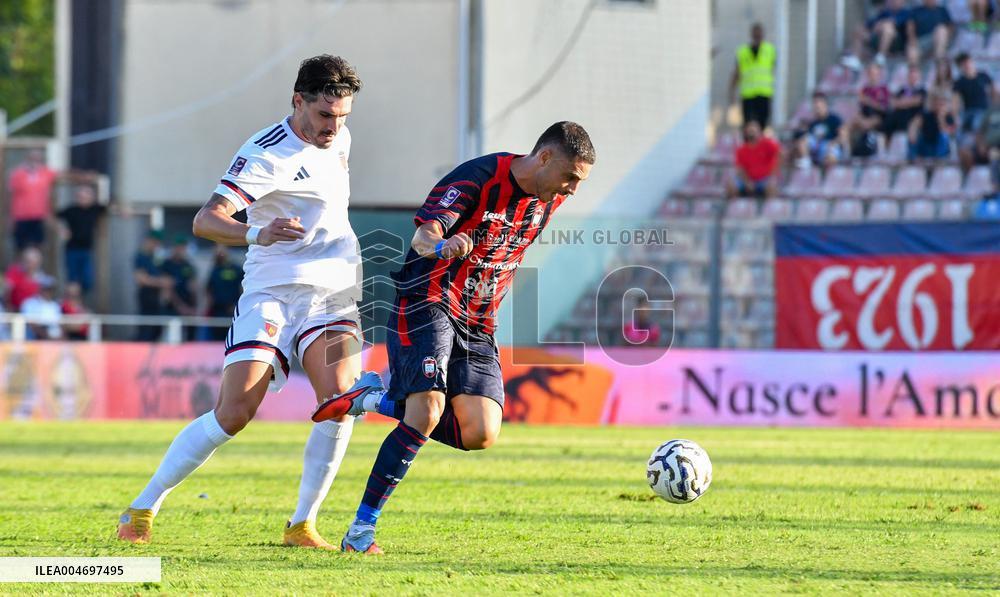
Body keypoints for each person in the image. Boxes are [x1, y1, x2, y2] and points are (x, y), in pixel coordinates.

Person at [117, 55, 369, 551]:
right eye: (324, 115)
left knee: (341, 402)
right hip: (273, 293)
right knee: (234, 413)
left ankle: (302, 524)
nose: (333, 127)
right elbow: (206, 221)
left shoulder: (339, 136)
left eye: (342, 116)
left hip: (334, 291)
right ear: (298, 100)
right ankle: (143, 505)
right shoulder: (265, 154)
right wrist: (258, 232)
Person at [311, 121, 596, 554]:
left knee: (480, 433)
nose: (572, 189)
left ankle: (372, 399)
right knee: (426, 411)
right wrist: (442, 246)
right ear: (544, 157)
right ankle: (361, 531)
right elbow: (424, 235)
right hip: (429, 300)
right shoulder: (477, 179)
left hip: (479, 321)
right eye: (571, 177)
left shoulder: (546, 199)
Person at [57, 186, 107, 294]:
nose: (83, 199)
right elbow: (54, 217)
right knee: (72, 280)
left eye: (86, 196)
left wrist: (125, 210)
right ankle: (72, 306)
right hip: (72, 250)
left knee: (87, 281)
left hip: (87, 250)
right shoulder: (71, 210)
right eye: (81, 196)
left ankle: (80, 303)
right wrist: (61, 229)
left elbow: (110, 207)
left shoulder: (95, 209)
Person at [7, 149, 57, 251]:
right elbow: (10, 196)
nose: (35, 159)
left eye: (38, 157)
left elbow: (62, 175)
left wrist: (84, 176)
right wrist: (10, 217)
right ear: (27, 158)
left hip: (39, 215)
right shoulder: (17, 174)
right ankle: (19, 268)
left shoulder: (46, 172)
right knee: (20, 247)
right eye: (32, 157)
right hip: (21, 216)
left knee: (38, 245)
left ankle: (37, 267)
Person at [729, 23, 776, 129]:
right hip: (748, 95)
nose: (757, 38)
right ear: (751, 35)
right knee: (748, 126)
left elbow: (773, 72)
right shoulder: (742, 52)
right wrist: (732, 92)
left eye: (759, 35)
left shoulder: (770, 50)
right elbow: (737, 73)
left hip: (764, 94)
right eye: (755, 35)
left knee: (762, 126)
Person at [844, 0, 909, 68]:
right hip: (878, 38)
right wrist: (871, 29)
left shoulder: (906, 13)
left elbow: (893, 23)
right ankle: (855, 58)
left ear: (903, 2)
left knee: (888, 29)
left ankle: (881, 57)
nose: (894, 1)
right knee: (859, 30)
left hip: (897, 43)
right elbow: (871, 23)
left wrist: (880, 25)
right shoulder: (885, 12)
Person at [725, 120, 780, 199]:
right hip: (748, 180)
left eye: (754, 131)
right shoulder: (741, 150)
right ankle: (735, 209)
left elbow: (780, 154)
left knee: (771, 186)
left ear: (759, 131)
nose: (752, 133)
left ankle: (769, 210)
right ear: (745, 132)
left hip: (765, 179)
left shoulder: (767, 144)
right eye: (749, 131)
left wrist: (774, 173)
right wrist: (747, 182)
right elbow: (740, 169)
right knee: (731, 186)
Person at [160, 237, 199, 341]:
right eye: (179, 247)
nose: (181, 250)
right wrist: (180, 307)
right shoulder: (166, 265)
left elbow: (193, 288)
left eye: (183, 247)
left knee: (191, 338)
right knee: (172, 338)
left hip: (187, 308)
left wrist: (193, 308)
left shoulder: (188, 265)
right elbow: (168, 288)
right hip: (172, 308)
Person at [849, 63, 891, 157]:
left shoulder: (884, 89)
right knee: (849, 126)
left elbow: (884, 108)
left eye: (874, 73)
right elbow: (861, 108)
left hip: (880, 118)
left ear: (879, 74)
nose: (872, 76)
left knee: (869, 122)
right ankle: (850, 153)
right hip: (866, 116)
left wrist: (869, 101)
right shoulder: (865, 89)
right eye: (870, 73)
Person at [796, 92, 848, 168]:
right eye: (814, 103)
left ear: (825, 104)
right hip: (818, 147)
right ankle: (806, 161)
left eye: (818, 102)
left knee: (830, 156)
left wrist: (833, 142)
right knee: (802, 141)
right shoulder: (813, 123)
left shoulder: (835, 119)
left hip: (831, 146)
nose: (816, 105)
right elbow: (809, 140)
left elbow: (843, 137)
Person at [133, 231, 168, 341]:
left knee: (157, 329)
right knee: (146, 330)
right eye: (154, 242)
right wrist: (161, 282)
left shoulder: (156, 258)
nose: (156, 246)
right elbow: (142, 280)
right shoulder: (141, 256)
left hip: (156, 298)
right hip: (147, 296)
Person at [205, 244, 244, 341]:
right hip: (217, 311)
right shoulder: (214, 269)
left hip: (233, 311)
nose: (219, 251)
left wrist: (237, 306)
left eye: (222, 248)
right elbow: (209, 290)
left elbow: (243, 288)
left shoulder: (236, 269)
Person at [952, 53, 995, 140]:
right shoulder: (959, 82)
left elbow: (994, 93)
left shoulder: (983, 76)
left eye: (968, 62)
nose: (967, 65)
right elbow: (955, 102)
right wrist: (956, 117)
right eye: (963, 64)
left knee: (978, 123)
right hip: (969, 112)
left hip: (984, 110)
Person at [909, 90, 957, 159]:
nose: (939, 105)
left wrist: (941, 117)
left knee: (944, 136)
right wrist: (912, 133)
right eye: (937, 102)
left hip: (940, 148)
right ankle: (913, 161)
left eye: (942, 103)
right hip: (926, 143)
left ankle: (939, 160)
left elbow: (947, 133)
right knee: (912, 137)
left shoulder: (949, 117)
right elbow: (914, 124)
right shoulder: (926, 114)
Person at [884, 64, 928, 135]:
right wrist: (907, 102)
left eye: (915, 74)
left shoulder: (922, 90)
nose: (913, 76)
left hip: (912, 118)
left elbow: (917, 101)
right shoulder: (903, 89)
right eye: (911, 74)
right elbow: (892, 102)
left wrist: (902, 102)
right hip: (897, 119)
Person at [906, 0, 952, 64]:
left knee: (941, 29)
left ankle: (939, 60)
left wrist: (947, 39)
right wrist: (912, 38)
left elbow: (950, 27)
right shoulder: (916, 10)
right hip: (921, 41)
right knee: (912, 51)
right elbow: (910, 25)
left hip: (938, 40)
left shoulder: (942, 10)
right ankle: (915, 72)